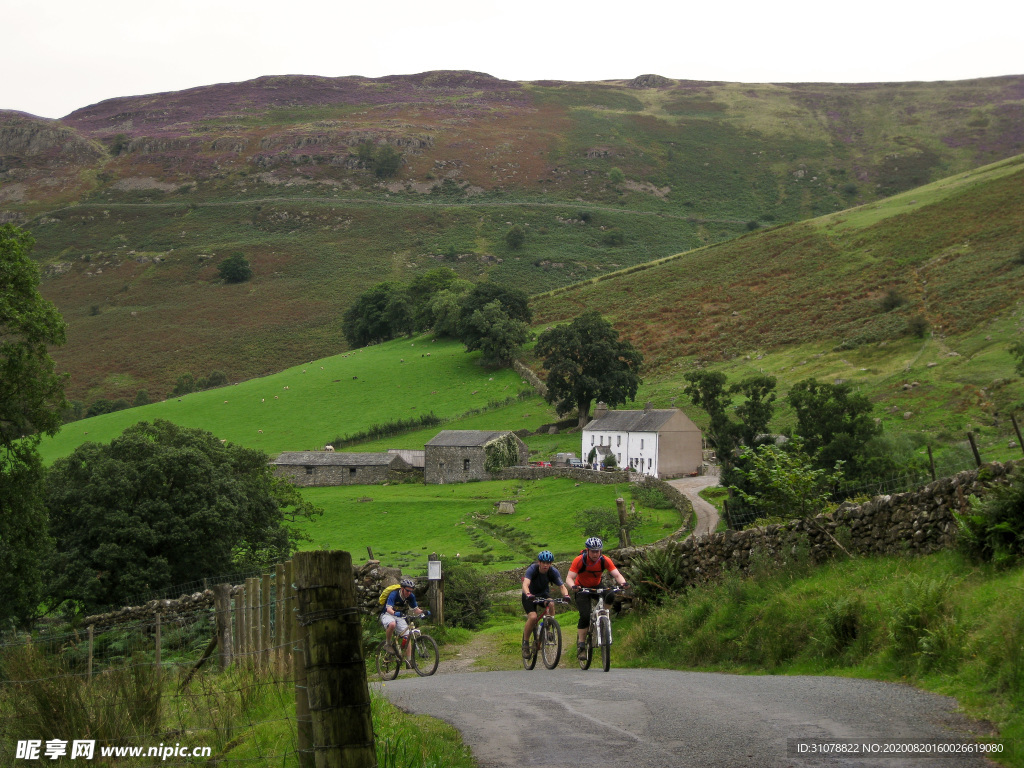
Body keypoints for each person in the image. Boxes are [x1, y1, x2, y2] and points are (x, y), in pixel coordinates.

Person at [565, 537, 628, 660]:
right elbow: (569, 578)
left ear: (600, 551)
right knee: (584, 615)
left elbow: (616, 574)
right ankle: (582, 646)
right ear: (587, 550)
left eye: (597, 551)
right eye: (593, 551)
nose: (595, 553)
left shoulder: (604, 560)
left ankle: (604, 614)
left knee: (610, 595)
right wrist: (573, 586)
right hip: (581, 588)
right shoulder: (579, 560)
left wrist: (623, 583)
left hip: (596, 585)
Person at [521, 550, 570, 658]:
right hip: (529, 595)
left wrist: (566, 596)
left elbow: (562, 586)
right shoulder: (532, 569)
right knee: (533, 617)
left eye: (548, 563)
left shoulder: (553, 572)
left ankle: (549, 625)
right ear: (539, 562)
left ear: (551, 564)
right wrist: (528, 594)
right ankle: (525, 644)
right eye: (544, 562)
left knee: (551, 603)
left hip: (543, 594)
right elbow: (525, 584)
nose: (546, 565)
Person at [380, 577, 425, 666]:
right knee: (392, 624)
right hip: (387, 614)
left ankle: (409, 661)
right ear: (402, 589)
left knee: (407, 636)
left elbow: (416, 610)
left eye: (411, 591)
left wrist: (423, 612)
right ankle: (388, 644)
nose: (409, 593)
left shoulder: (411, 596)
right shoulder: (394, 594)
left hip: (399, 616)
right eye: (407, 590)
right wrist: (395, 613)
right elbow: (388, 608)